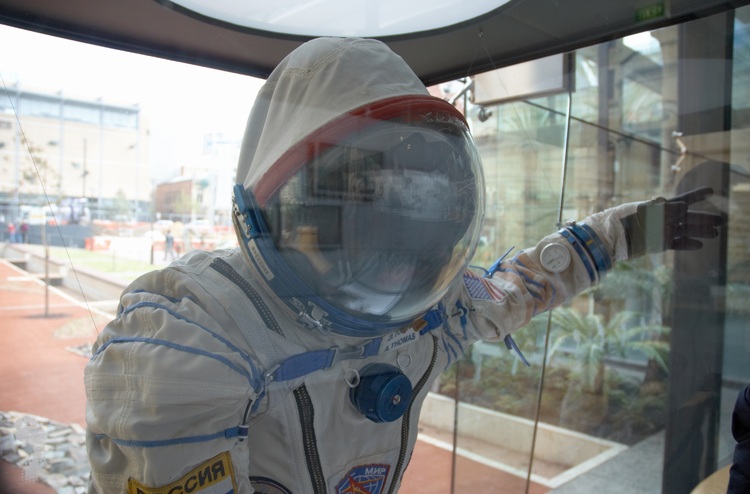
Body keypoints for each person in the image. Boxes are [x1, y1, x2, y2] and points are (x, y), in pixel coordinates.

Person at [84, 37, 722, 494]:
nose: (394, 263)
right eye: (364, 210)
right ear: (277, 206)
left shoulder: (432, 315)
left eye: (417, 220)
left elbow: (522, 283)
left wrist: (631, 230)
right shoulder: (201, 337)